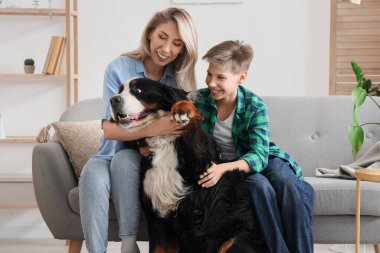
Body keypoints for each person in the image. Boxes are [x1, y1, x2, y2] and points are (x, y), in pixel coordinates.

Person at [79, 8, 198, 253]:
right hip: (107, 152)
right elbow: (109, 130)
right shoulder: (119, 67)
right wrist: (156, 125)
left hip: (143, 156)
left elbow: (182, 128)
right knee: (91, 175)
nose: (166, 49)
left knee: (125, 160)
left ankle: (128, 246)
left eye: (176, 44)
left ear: (182, 50)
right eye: (162, 37)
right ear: (150, 34)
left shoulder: (176, 81)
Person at [195, 40, 314, 253]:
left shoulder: (254, 105)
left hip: (261, 157)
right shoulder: (199, 101)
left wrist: (223, 168)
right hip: (236, 168)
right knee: (260, 186)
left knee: (285, 181)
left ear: (241, 77)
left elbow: (259, 156)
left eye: (220, 77)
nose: (211, 82)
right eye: (209, 74)